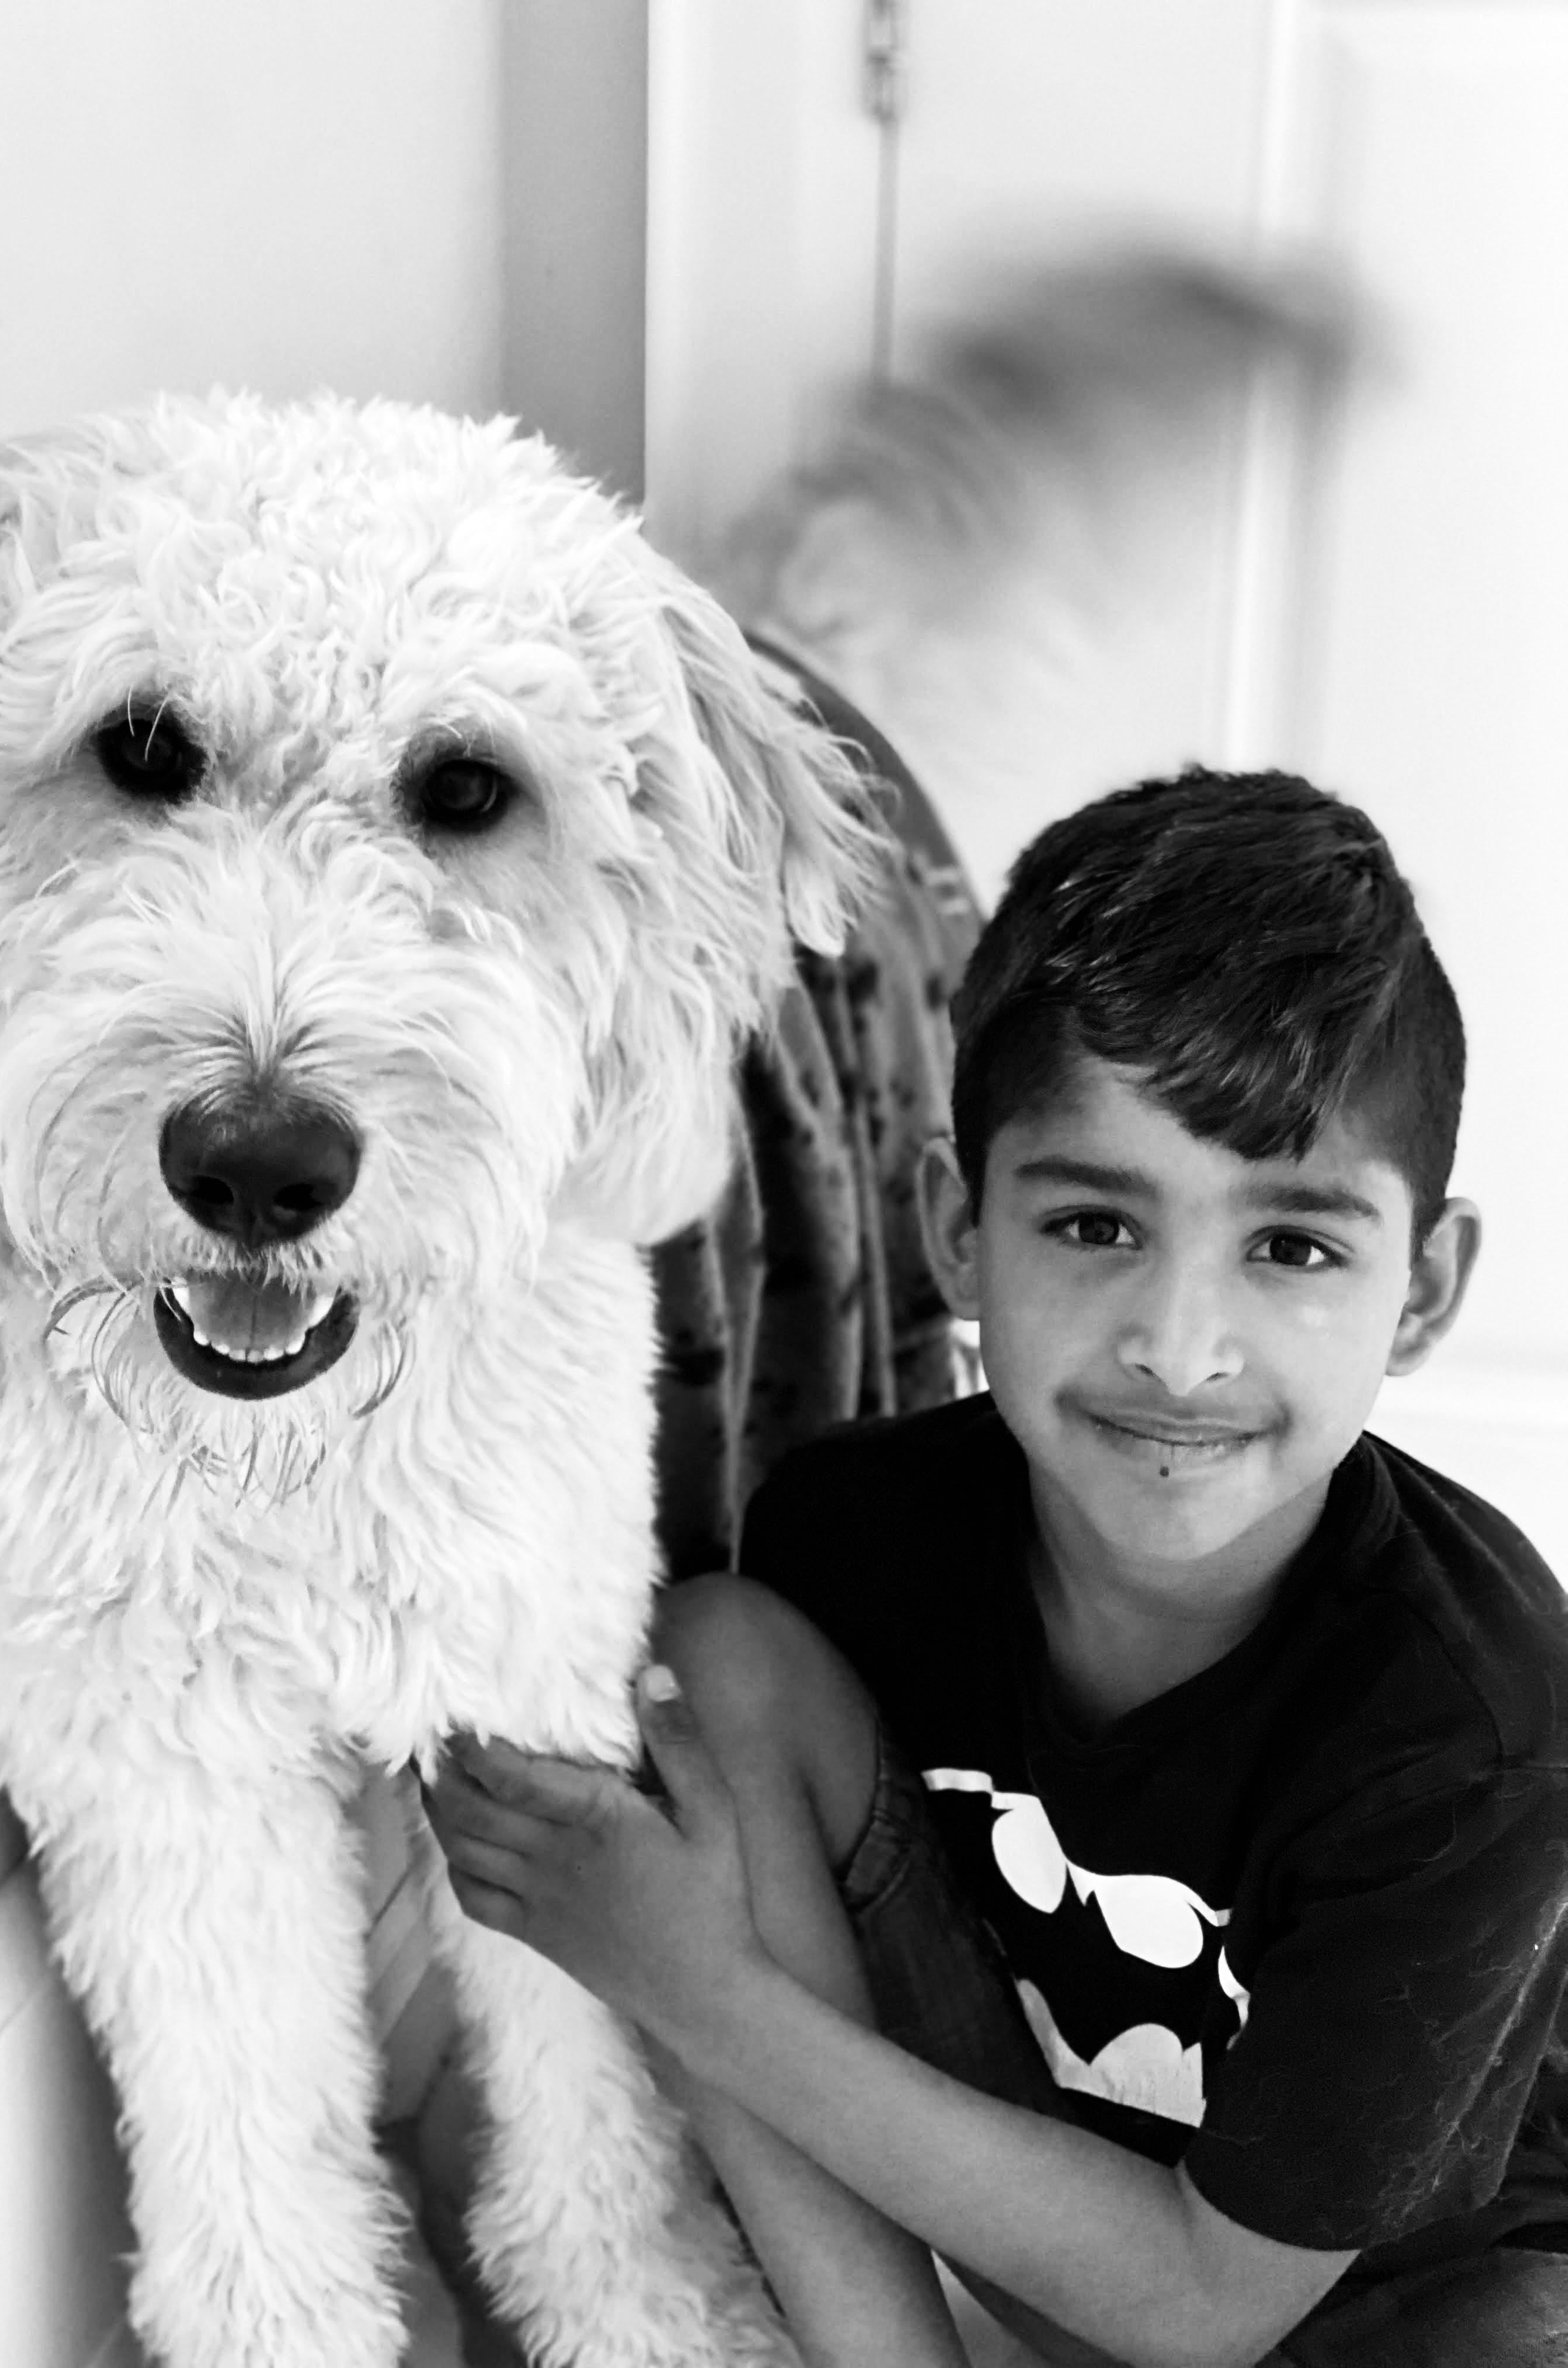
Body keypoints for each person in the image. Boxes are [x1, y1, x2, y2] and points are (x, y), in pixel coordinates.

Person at [427, 769, 1568, 2368]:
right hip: (1051, 2221)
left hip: (1396, 2299)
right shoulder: (854, 1536)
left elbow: (1203, 2308)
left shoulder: (1477, 1722)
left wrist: (695, 1987)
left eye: (1294, 1247)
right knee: (718, 1658)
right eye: (1097, 1226)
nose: (1180, 1348)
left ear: (1425, 1290)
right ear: (959, 1231)